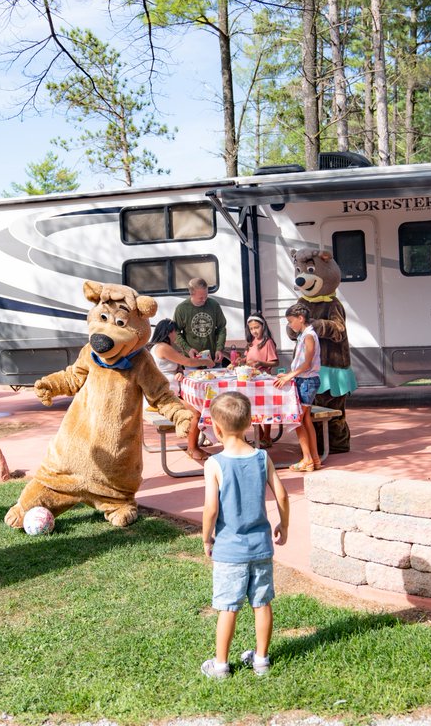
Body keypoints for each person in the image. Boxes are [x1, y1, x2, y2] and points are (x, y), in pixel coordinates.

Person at [200, 391, 289, 679]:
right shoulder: (262, 458)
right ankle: (261, 659)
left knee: (228, 607)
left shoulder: (214, 464)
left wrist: (206, 537)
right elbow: (282, 495)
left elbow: (211, 509)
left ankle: (221, 664)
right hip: (261, 547)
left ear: (215, 427)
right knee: (261, 604)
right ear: (250, 422)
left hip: (230, 550)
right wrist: (283, 524)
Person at [148, 318, 213, 461]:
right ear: (170, 331)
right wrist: (206, 361)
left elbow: (176, 365)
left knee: (198, 406)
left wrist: (179, 372)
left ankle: (197, 443)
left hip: (169, 393)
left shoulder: (160, 347)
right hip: (164, 397)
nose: (177, 335)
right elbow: (188, 362)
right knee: (196, 412)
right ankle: (192, 448)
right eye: (176, 332)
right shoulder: (163, 347)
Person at [273, 302, 321, 473]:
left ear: (301, 319)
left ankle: (307, 459)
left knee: (297, 420)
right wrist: (290, 373)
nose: (290, 325)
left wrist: (289, 376)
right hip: (304, 379)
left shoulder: (309, 336)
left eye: (291, 321)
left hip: (306, 381)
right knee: (306, 420)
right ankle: (314, 458)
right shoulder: (305, 335)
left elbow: (307, 364)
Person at [173, 277, 227, 366]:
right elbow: (176, 332)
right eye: (201, 297)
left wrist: (219, 348)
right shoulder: (181, 309)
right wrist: (188, 349)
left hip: (212, 360)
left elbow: (221, 328)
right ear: (191, 294)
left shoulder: (214, 305)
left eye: (206, 296)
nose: (204, 299)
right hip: (192, 361)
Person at [243, 313, 279, 448]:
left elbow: (275, 362)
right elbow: (247, 360)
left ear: (263, 326)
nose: (254, 331)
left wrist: (261, 363)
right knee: (251, 408)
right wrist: (240, 361)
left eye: (256, 327)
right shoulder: (251, 343)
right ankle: (261, 435)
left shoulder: (267, 342)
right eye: (251, 329)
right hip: (251, 381)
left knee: (265, 409)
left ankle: (267, 436)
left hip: (264, 381)